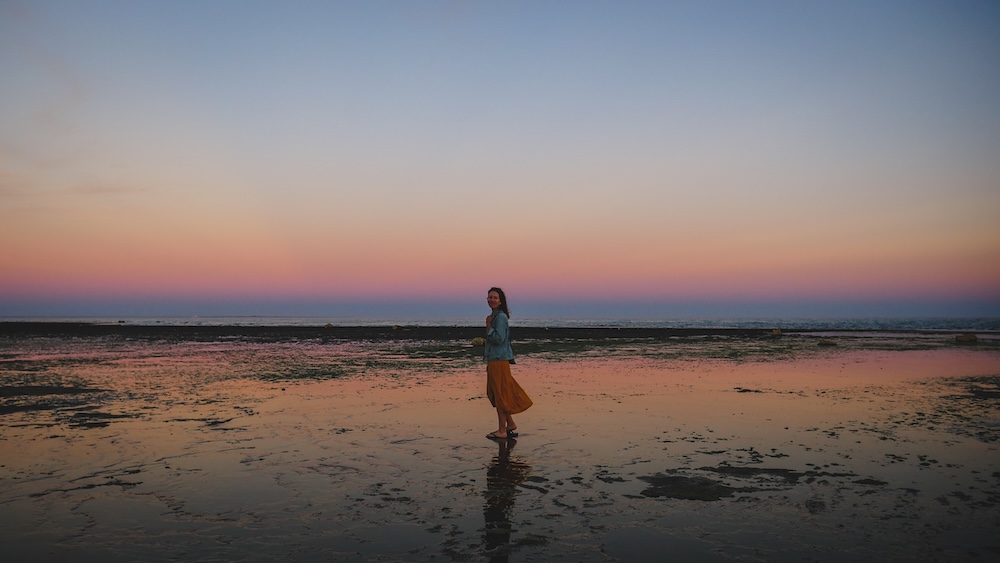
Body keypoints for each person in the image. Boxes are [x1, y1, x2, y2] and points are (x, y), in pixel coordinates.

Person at [484, 287, 532, 440]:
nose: (491, 300)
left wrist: (489, 327)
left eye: (495, 297)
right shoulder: (494, 316)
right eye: (489, 297)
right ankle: (510, 424)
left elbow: (499, 339)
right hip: (494, 359)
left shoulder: (501, 317)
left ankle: (502, 431)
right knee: (496, 392)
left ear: (501, 301)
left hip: (499, 360)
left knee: (500, 394)